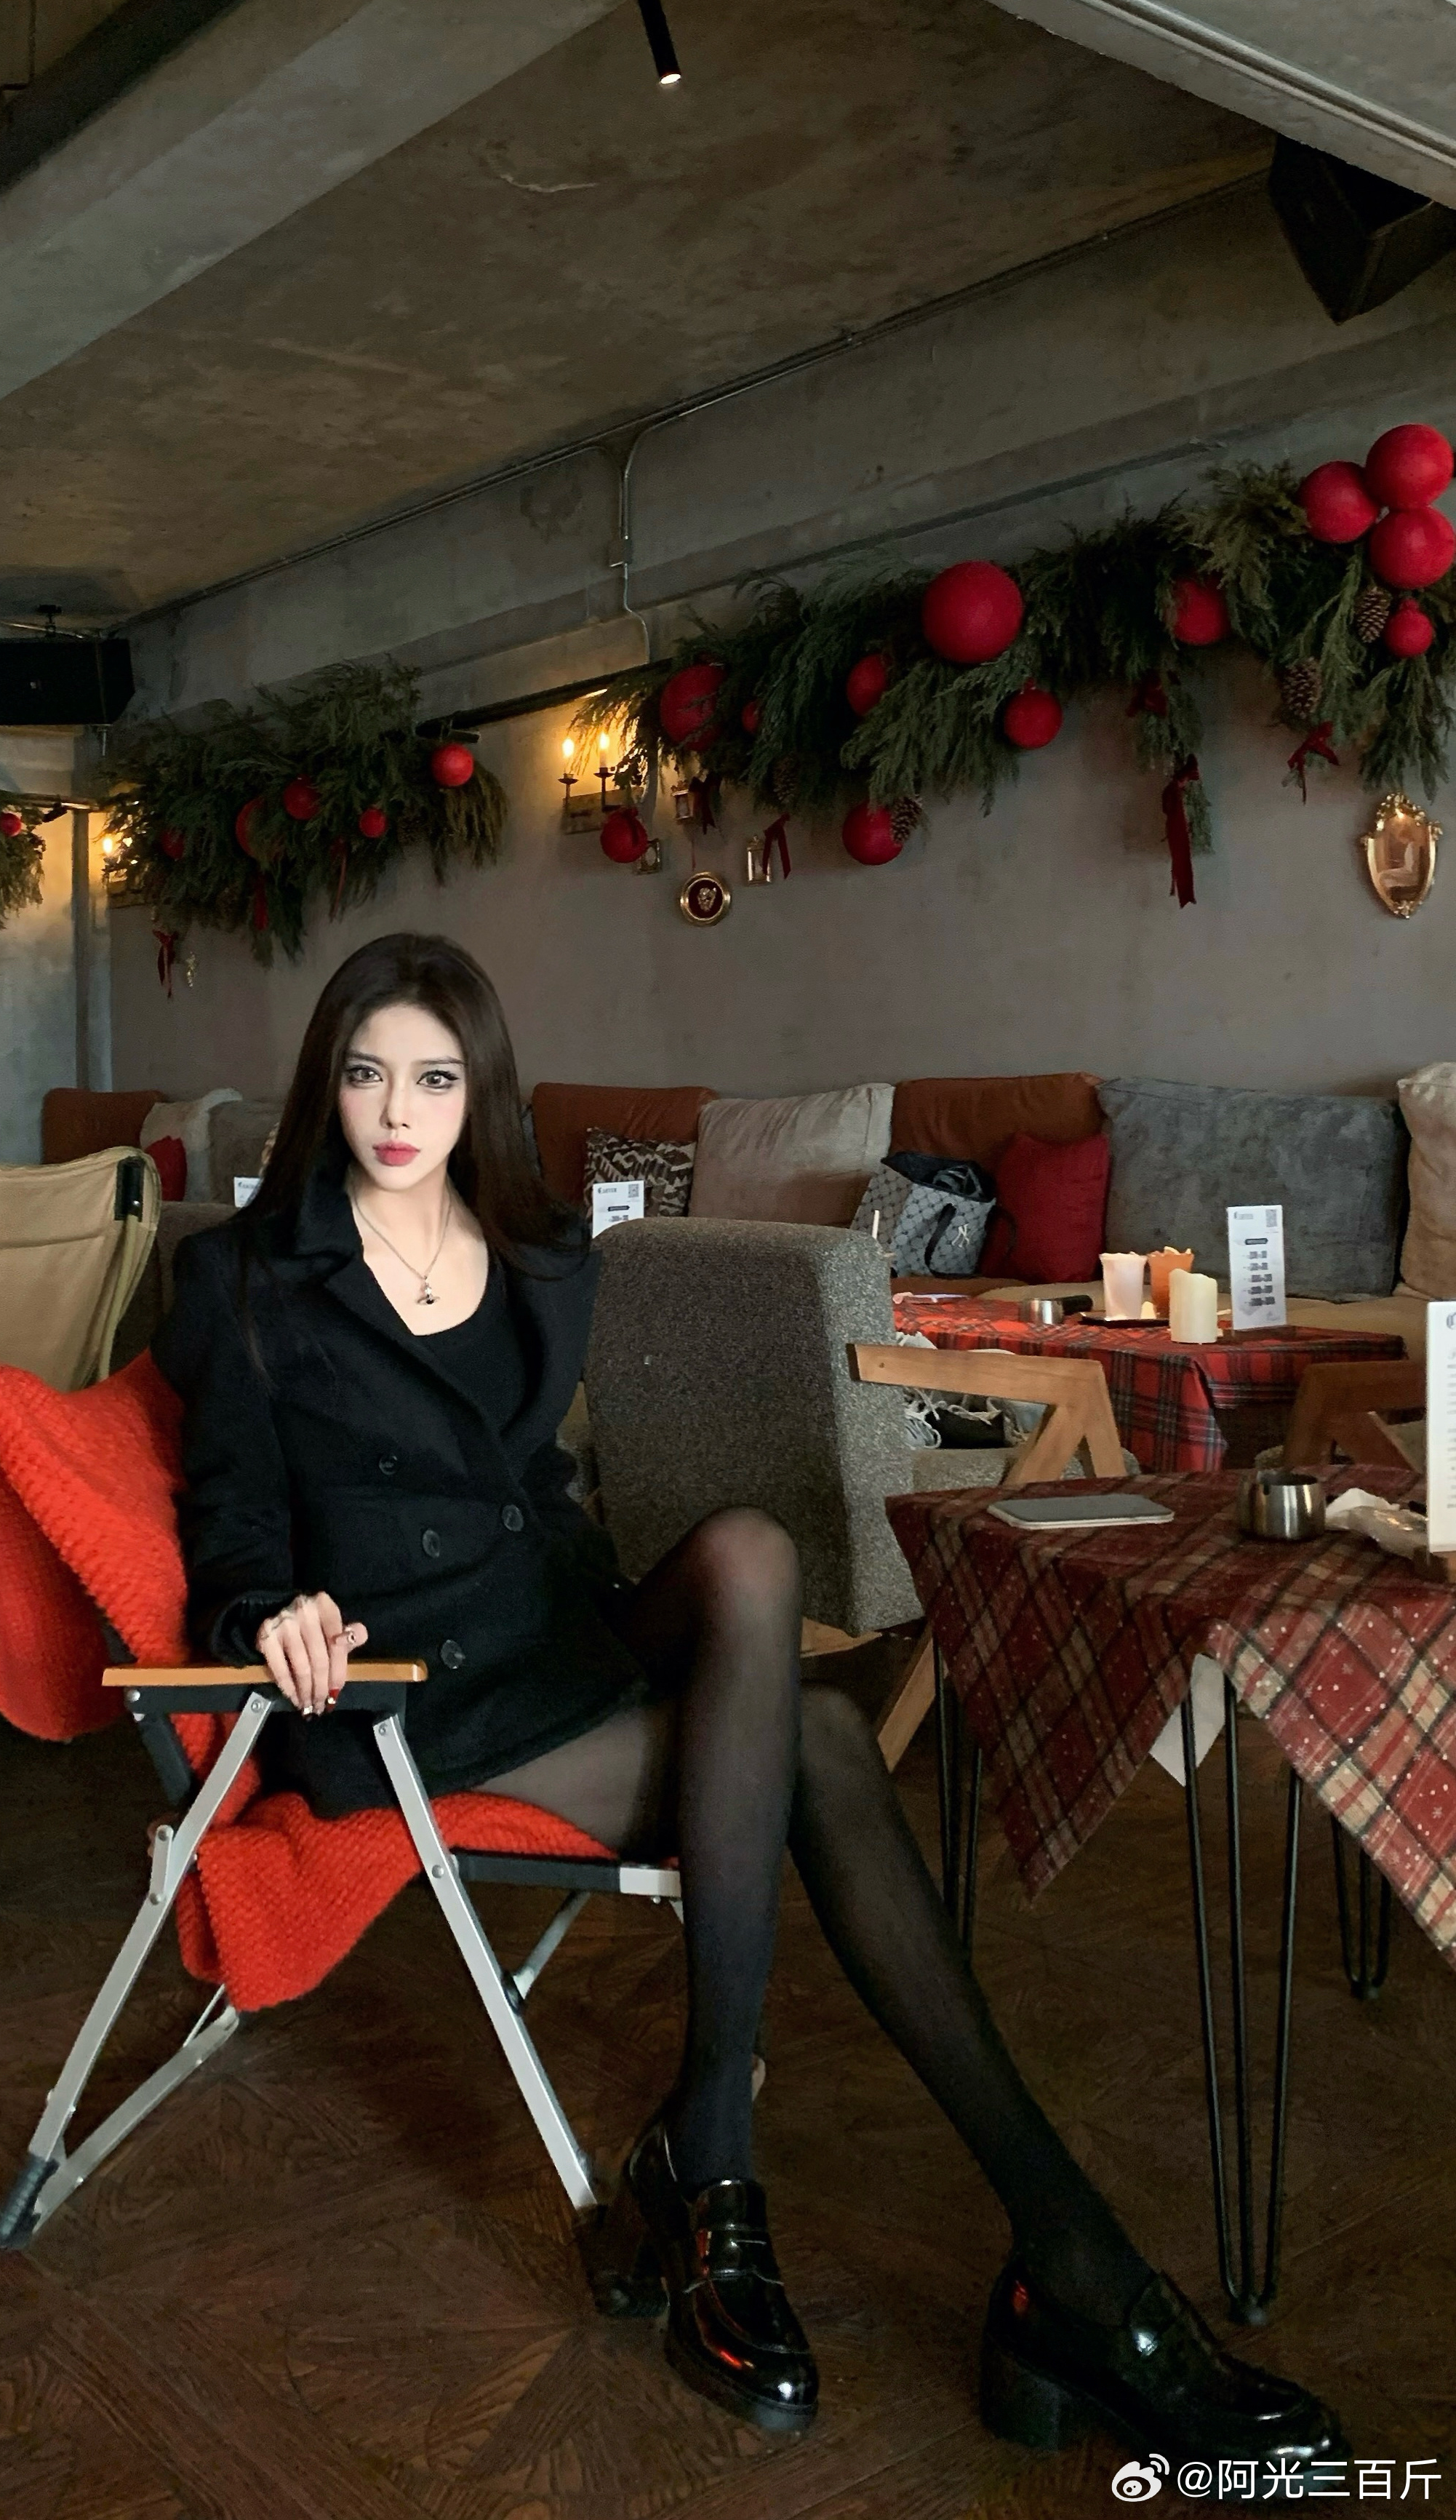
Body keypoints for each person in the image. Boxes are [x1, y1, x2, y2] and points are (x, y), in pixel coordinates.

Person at [153, 930, 1344, 2464]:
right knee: (826, 1740)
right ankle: (1048, 2264)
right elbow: (233, 1519)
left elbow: (537, 1497)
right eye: (368, 1074)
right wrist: (271, 1612)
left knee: (751, 1554)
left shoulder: (535, 1254)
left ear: (478, 1091)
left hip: (551, 1635)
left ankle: (733, 2159)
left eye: (434, 1079)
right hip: (406, 1696)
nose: (398, 1111)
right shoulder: (245, 1276)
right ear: (328, 1081)